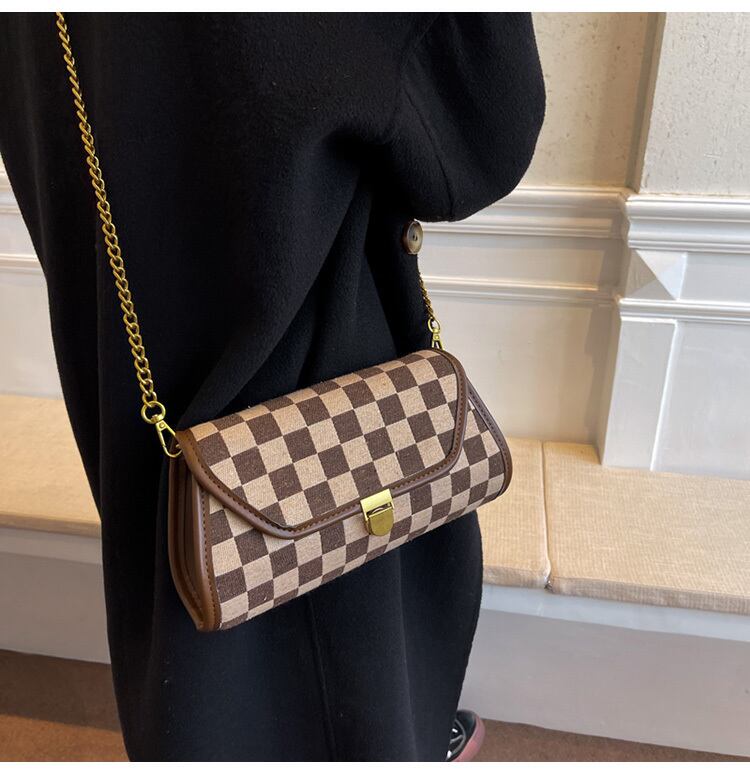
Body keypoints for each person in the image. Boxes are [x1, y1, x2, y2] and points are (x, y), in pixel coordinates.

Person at [0, 13, 545, 761]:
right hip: (315, 354)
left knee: (191, 616)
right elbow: (480, 132)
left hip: (123, 342)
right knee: (331, 652)